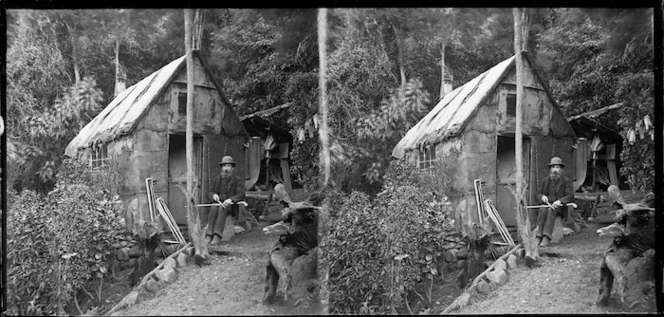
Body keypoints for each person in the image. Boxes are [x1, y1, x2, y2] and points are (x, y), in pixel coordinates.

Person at [203, 155, 247, 245]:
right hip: (219, 203)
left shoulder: (237, 180)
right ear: (221, 168)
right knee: (214, 207)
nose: (226, 169)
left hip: (231, 206)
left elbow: (241, 194)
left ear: (232, 168)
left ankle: (217, 236)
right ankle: (209, 234)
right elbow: (209, 192)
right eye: (224, 166)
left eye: (228, 166)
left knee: (221, 208)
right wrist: (214, 195)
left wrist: (231, 200)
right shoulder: (217, 179)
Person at [532, 157, 574, 247]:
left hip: (560, 207)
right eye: (553, 167)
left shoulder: (566, 181)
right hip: (547, 205)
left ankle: (547, 237)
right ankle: (538, 236)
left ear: (561, 170)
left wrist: (559, 201)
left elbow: (570, 196)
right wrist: (542, 197)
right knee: (543, 208)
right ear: (550, 169)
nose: (555, 170)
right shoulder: (545, 181)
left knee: (551, 210)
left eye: (557, 167)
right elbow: (537, 194)